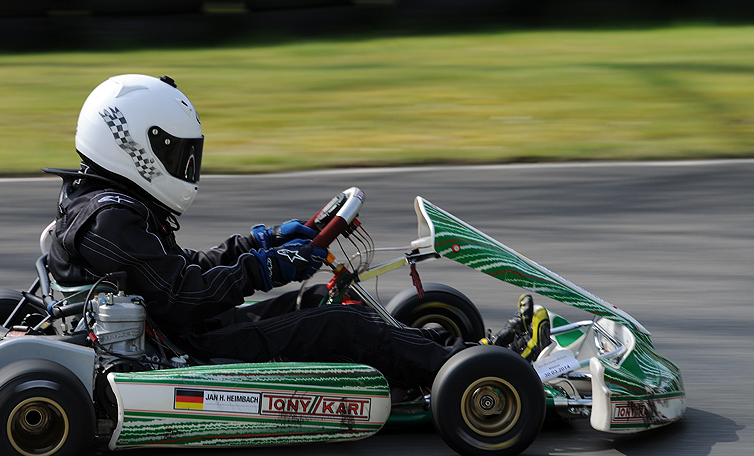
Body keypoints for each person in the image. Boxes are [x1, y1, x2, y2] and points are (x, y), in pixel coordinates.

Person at [45, 74, 470, 396]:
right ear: (133, 147)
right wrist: (267, 268)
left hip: (186, 330)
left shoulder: (104, 204)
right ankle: (468, 374)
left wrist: (262, 243)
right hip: (190, 350)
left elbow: (180, 269)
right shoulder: (109, 221)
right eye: (174, 153)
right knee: (344, 324)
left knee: (318, 300)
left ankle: (440, 353)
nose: (184, 165)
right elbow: (184, 295)